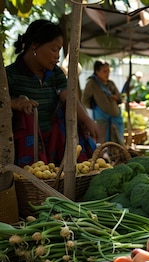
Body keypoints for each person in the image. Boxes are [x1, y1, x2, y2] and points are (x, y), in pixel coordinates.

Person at [7, 19, 98, 167]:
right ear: (35, 46)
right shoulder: (10, 75)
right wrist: (15, 103)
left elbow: (68, 98)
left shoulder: (56, 74)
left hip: (54, 146)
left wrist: (87, 120)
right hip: (23, 151)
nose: (57, 57)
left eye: (59, 51)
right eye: (54, 50)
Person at [82, 60, 125, 145]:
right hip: (102, 120)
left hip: (115, 120)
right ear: (97, 71)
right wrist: (96, 107)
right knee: (102, 144)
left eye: (108, 71)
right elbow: (85, 100)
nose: (107, 74)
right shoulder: (92, 84)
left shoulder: (111, 84)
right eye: (104, 71)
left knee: (117, 145)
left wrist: (116, 98)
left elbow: (120, 98)